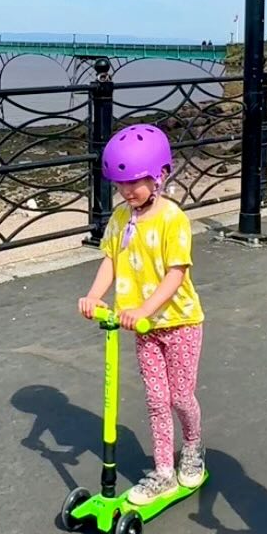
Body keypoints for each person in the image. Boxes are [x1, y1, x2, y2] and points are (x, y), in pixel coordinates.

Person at [79, 124, 205, 505]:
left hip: (180, 323)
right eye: (120, 185)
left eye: (135, 182)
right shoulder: (120, 218)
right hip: (143, 327)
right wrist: (93, 295)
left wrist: (144, 309)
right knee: (155, 399)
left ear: (160, 175)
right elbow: (111, 260)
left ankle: (194, 446)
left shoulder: (172, 219)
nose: (127, 191)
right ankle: (164, 471)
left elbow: (175, 273)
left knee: (181, 396)